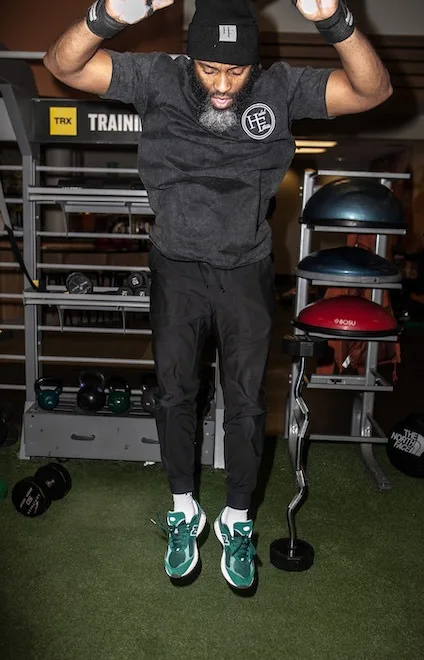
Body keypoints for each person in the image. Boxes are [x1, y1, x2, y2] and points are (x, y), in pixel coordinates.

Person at [44, 0, 392, 590]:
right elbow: (64, 65)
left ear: (256, 65)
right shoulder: (157, 76)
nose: (224, 85)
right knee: (175, 393)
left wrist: (334, 19)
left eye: (237, 72)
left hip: (246, 267)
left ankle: (236, 520)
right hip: (175, 264)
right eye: (210, 70)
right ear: (191, 58)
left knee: (248, 401)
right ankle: (185, 512)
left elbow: (372, 91)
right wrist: (110, 13)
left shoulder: (281, 87)